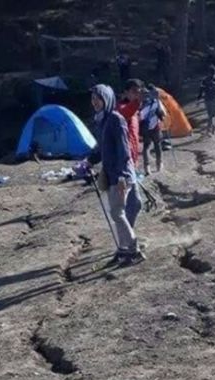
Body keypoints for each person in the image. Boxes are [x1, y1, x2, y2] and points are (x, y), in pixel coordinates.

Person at [90, 84, 145, 266]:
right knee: (116, 212)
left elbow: (124, 150)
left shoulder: (115, 119)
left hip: (121, 175)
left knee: (117, 212)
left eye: (98, 98)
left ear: (107, 99)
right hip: (112, 173)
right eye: (93, 99)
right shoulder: (102, 120)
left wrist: (122, 176)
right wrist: (88, 162)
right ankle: (123, 250)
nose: (95, 102)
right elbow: (103, 148)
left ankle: (133, 249)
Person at [117, 79, 145, 227]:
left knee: (132, 204)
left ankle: (127, 238)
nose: (137, 94)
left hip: (131, 162)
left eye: (139, 91)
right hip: (123, 164)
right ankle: (126, 240)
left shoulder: (135, 111)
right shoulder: (121, 108)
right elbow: (124, 114)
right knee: (133, 204)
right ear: (125, 92)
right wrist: (137, 102)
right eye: (134, 91)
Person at [139, 84, 165, 175]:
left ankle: (147, 168)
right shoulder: (156, 101)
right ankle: (159, 165)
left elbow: (140, 117)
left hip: (145, 128)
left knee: (146, 147)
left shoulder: (142, 103)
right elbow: (163, 113)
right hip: (156, 127)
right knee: (158, 145)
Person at [198, 65, 215, 135]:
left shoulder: (204, 80)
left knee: (210, 115)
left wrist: (198, 99)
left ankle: (212, 128)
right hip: (214, 100)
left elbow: (201, 90)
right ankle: (209, 129)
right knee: (213, 115)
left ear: (209, 72)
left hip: (207, 100)